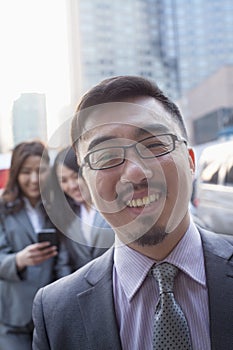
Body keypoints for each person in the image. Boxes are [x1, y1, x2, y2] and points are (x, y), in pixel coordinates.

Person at [32, 76, 233, 350]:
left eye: (154, 145)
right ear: (85, 188)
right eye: (106, 157)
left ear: (190, 162)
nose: (136, 173)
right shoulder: (55, 312)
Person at [0, 141, 71, 350]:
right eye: (26, 172)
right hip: (13, 316)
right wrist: (19, 260)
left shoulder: (55, 206)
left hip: (50, 310)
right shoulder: (3, 209)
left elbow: (63, 258)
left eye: (39, 171)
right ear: (16, 173)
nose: (33, 179)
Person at [45, 146, 115, 271]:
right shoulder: (66, 214)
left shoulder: (114, 205)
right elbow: (64, 263)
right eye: (64, 180)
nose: (71, 186)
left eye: (75, 176)